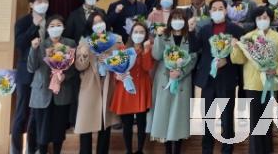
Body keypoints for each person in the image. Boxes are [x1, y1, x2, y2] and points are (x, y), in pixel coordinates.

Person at [231, 5, 278, 154]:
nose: (262, 20)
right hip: (253, 84)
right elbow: (238, 60)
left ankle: (268, 150)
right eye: (259, 18)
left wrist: (276, 70)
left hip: (270, 83)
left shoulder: (277, 37)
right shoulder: (248, 37)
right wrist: (235, 47)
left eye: (265, 17)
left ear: (270, 19)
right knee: (255, 121)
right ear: (255, 20)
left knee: (267, 121)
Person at [189, 0, 244, 154]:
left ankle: (227, 149)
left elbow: (242, 54)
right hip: (208, 79)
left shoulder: (235, 29)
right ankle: (207, 150)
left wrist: (228, 59)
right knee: (208, 117)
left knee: (227, 118)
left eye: (221, 8)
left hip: (227, 78)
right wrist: (191, 31)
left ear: (226, 11)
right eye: (214, 9)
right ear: (210, 11)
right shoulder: (205, 29)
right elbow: (194, 48)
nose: (218, 11)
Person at [149, 8, 197, 154]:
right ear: (170, 21)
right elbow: (156, 55)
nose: (177, 21)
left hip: (183, 80)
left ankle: (178, 150)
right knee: (164, 114)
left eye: (180, 18)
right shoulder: (164, 35)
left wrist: (180, 72)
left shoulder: (190, 37)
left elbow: (193, 58)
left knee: (179, 115)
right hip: (164, 78)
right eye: (175, 18)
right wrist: (158, 36)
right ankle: (167, 150)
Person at [27, 14, 77, 154]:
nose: (55, 28)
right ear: (47, 29)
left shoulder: (70, 43)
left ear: (64, 27)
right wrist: (33, 49)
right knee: (42, 132)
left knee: (58, 131)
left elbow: (74, 69)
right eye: (52, 26)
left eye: (59, 25)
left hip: (62, 92)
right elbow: (31, 68)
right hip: (42, 93)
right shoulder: (40, 44)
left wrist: (64, 76)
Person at [75, 12, 123, 154]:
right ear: (90, 26)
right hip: (90, 86)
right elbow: (79, 67)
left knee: (105, 124)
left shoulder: (115, 40)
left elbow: (122, 61)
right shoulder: (84, 42)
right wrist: (84, 55)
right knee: (85, 124)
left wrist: (109, 60)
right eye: (95, 23)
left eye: (100, 21)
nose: (98, 25)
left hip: (108, 85)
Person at [11, 0, 50, 154]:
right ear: (31, 4)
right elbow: (20, 44)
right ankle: (16, 150)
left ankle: (33, 149)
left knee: (37, 114)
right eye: (39, 1)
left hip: (43, 73)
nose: (43, 4)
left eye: (45, 1)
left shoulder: (51, 21)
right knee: (21, 113)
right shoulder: (23, 22)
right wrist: (34, 25)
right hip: (26, 73)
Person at [110, 21, 154, 154]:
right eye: (136, 32)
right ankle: (128, 150)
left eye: (141, 32)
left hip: (142, 88)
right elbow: (115, 69)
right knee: (127, 124)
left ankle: (140, 150)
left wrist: (146, 51)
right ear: (131, 34)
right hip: (125, 89)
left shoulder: (148, 49)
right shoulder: (122, 49)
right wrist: (117, 76)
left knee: (141, 123)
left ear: (146, 35)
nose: (138, 35)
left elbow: (147, 67)